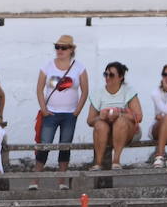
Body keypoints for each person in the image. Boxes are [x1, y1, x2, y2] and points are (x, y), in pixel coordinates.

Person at [31, 34, 88, 189]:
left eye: (63, 48)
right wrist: (43, 109)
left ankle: (61, 181)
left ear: (71, 50)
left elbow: (85, 91)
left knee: (65, 146)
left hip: (70, 114)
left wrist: (77, 111)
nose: (60, 50)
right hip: (51, 112)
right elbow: (39, 88)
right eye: (57, 47)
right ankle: (35, 181)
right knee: (44, 145)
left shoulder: (79, 67)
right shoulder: (47, 66)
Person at [86, 61, 142, 170]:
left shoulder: (128, 91)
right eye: (105, 74)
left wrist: (119, 114)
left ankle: (116, 161)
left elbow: (139, 117)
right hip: (106, 133)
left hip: (127, 132)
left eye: (111, 75)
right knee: (100, 125)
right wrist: (100, 117)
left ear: (120, 77)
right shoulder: (98, 93)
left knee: (120, 122)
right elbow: (90, 120)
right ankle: (98, 163)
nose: (107, 77)